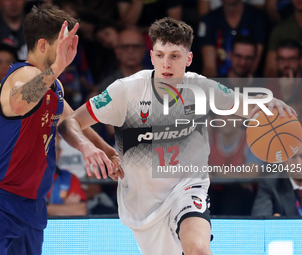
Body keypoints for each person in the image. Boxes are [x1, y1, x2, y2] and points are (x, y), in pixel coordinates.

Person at [59, 17, 296, 255]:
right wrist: (88, 147)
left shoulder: (202, 89)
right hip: (142, 207)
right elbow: (69, 123)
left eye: (175, 55)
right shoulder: (126, 90)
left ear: (189, 59)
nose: (167, 64)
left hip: (188, 188)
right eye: (160, 55)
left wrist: (269, 104)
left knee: (199, 250)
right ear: (151, 57)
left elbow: (244, 105)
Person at [0, 4, 119, 254]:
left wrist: (104, 149)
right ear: (44, 45)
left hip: (30, 206)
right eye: (64, 45)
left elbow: (70, 123)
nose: (70, 52)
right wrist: (57, 67)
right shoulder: (20, 76)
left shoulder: (54, 87)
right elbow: (20, 101)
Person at [198, 0, 267, 77]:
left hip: (247, 83)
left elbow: (252, 66)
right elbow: (209, 68)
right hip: (218, 83)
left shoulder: (258, 18)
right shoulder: (208, 20)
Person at [252, 143, 302, 216]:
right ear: (285, 160)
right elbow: (260, 220)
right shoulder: (270, 184)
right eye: (293, 157)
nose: (298, 163)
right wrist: (275, 223)